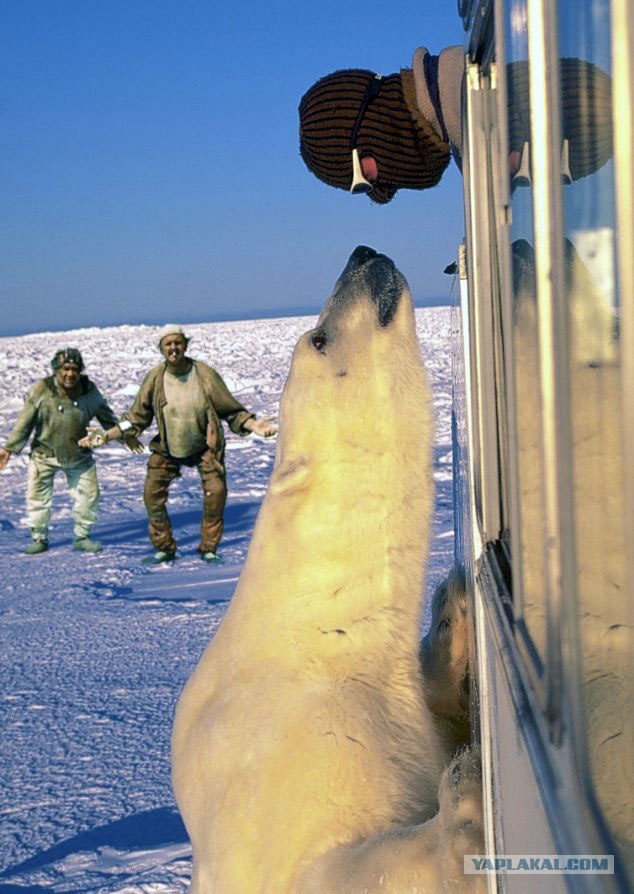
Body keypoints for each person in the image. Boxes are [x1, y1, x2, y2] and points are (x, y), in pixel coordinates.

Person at [298, 47, 612, 202]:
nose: (383, 191)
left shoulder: (479, 114)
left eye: (361, 178)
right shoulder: (472, 133)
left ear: (372, 123)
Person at [81, 325, 277, 565]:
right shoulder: (155, 378)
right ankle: (164, 548)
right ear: (162, 349)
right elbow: (135, 418)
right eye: (168, 344)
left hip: (204, 447)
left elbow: (231, 410)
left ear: (185, 345)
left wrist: (253, 425)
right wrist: (107, 435)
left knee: (215, 494)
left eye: (177, 343)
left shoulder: (203, 374)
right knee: (152, 495)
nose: (173, 348)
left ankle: (209, 548)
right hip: (168, 449)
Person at [0, 347, 141, 555]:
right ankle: (39, 537)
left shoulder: (89, 391)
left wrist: (125, 436)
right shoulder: (42, 389)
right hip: (44, 455)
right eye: (65, 369)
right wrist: (9, 448)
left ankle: (82, 536)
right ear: (56, 370)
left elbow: (107, 417)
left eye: (75, 369)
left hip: (78, 455)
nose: (70, 374)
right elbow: (25, 421)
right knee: (37, 497)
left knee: (88, 496)